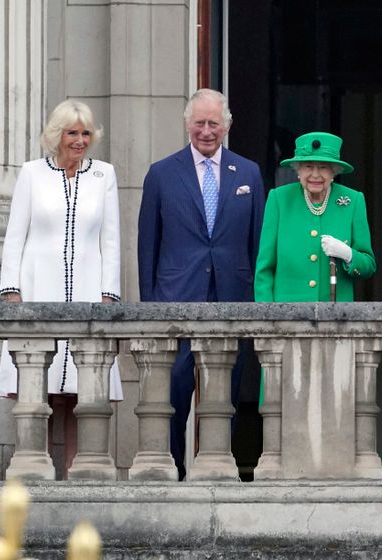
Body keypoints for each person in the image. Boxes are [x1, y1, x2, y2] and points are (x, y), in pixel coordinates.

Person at [138, 88, 265, 480]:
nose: (206, 131)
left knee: (223, 392)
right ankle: (174, 468)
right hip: (176, 298)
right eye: (200, 123)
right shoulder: (161, 173)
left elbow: (257, 242)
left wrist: (256, 302)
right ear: (187, 124)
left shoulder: (248, 173)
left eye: (214, 123)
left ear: (227, 126)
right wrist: (150, 307)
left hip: (232, 297)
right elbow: (148, 244)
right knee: (174, 390)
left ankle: (217, 468)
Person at [0, 99, 123, 476]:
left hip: (87, 289)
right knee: (40, 385)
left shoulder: (104, 175)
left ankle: (75, 470)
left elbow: (111, 240)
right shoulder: (32, 174)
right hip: (39, 288)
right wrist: (11, 290)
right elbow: (14, 235)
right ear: (57, 135)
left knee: (79, 389)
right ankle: (35, 468)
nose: (81, 140)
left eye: (86, 133)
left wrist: (107, 295)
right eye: (73, 133)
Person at [254, 131, 375, 302]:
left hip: (335, 316)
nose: (315, 175)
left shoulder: (353, 201)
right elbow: (264, 269)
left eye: (323, 167)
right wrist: (267, 317)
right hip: (286, 316)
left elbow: (368, 266)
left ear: (334, 172)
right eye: (308, 166)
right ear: (298, 170)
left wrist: (348, 255)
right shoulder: (279, 200)